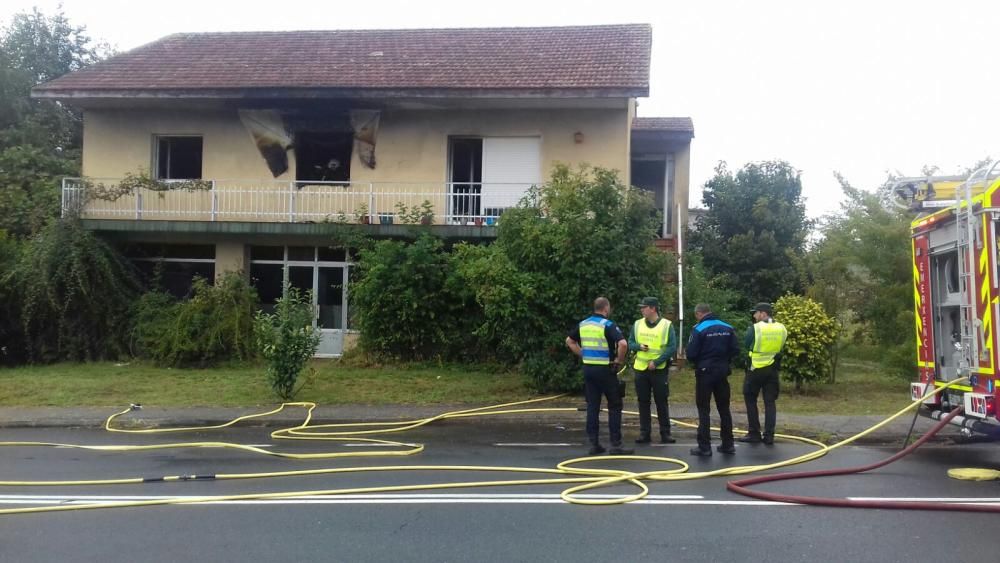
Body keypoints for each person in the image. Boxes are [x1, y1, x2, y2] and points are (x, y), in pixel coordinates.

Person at [566, 297, 634, 456]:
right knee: (615, 405)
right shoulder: (607, 325)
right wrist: (619, 360)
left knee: (592, 406)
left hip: (589, 369)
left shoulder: (583, 324)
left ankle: (594, 444)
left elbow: (569, 341)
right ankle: (616, 444)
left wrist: (583, 354)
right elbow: (623, 344)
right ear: (605, 308)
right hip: (606, 369)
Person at [685, 303, 740, 456]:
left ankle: (704, 447)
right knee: (724, 408)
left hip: (705, 372)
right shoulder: (727, 327)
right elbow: (736, 349)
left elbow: (691, 353)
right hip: (722, 372)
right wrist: (724, 360)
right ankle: (728, 444)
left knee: (704, 409)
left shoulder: (698, 329)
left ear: (698, 314)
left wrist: (701, 361)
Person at [628, 297, 678, 444]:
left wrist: (656, 362)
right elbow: (630, 342)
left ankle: (665, 433)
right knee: (643, 402)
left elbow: (671, 347)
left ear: (653, 308)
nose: (641, 310)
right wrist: (638, 346)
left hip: (659, 370)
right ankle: (645, 433)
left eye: (644, 307)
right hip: (641, 369)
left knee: (661, 401)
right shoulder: (637, 324)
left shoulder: (666, 325)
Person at [739, 303, 788, 445]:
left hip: (755, 368)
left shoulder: (755, 328)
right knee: (770, 402)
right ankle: (769, 436)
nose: (754, 316)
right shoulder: (782, 328)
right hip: (772, 369)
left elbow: (747, 344)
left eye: (756, 313)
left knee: (750, 399)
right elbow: (781, 346)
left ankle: (754, 433)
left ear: (763, 314)